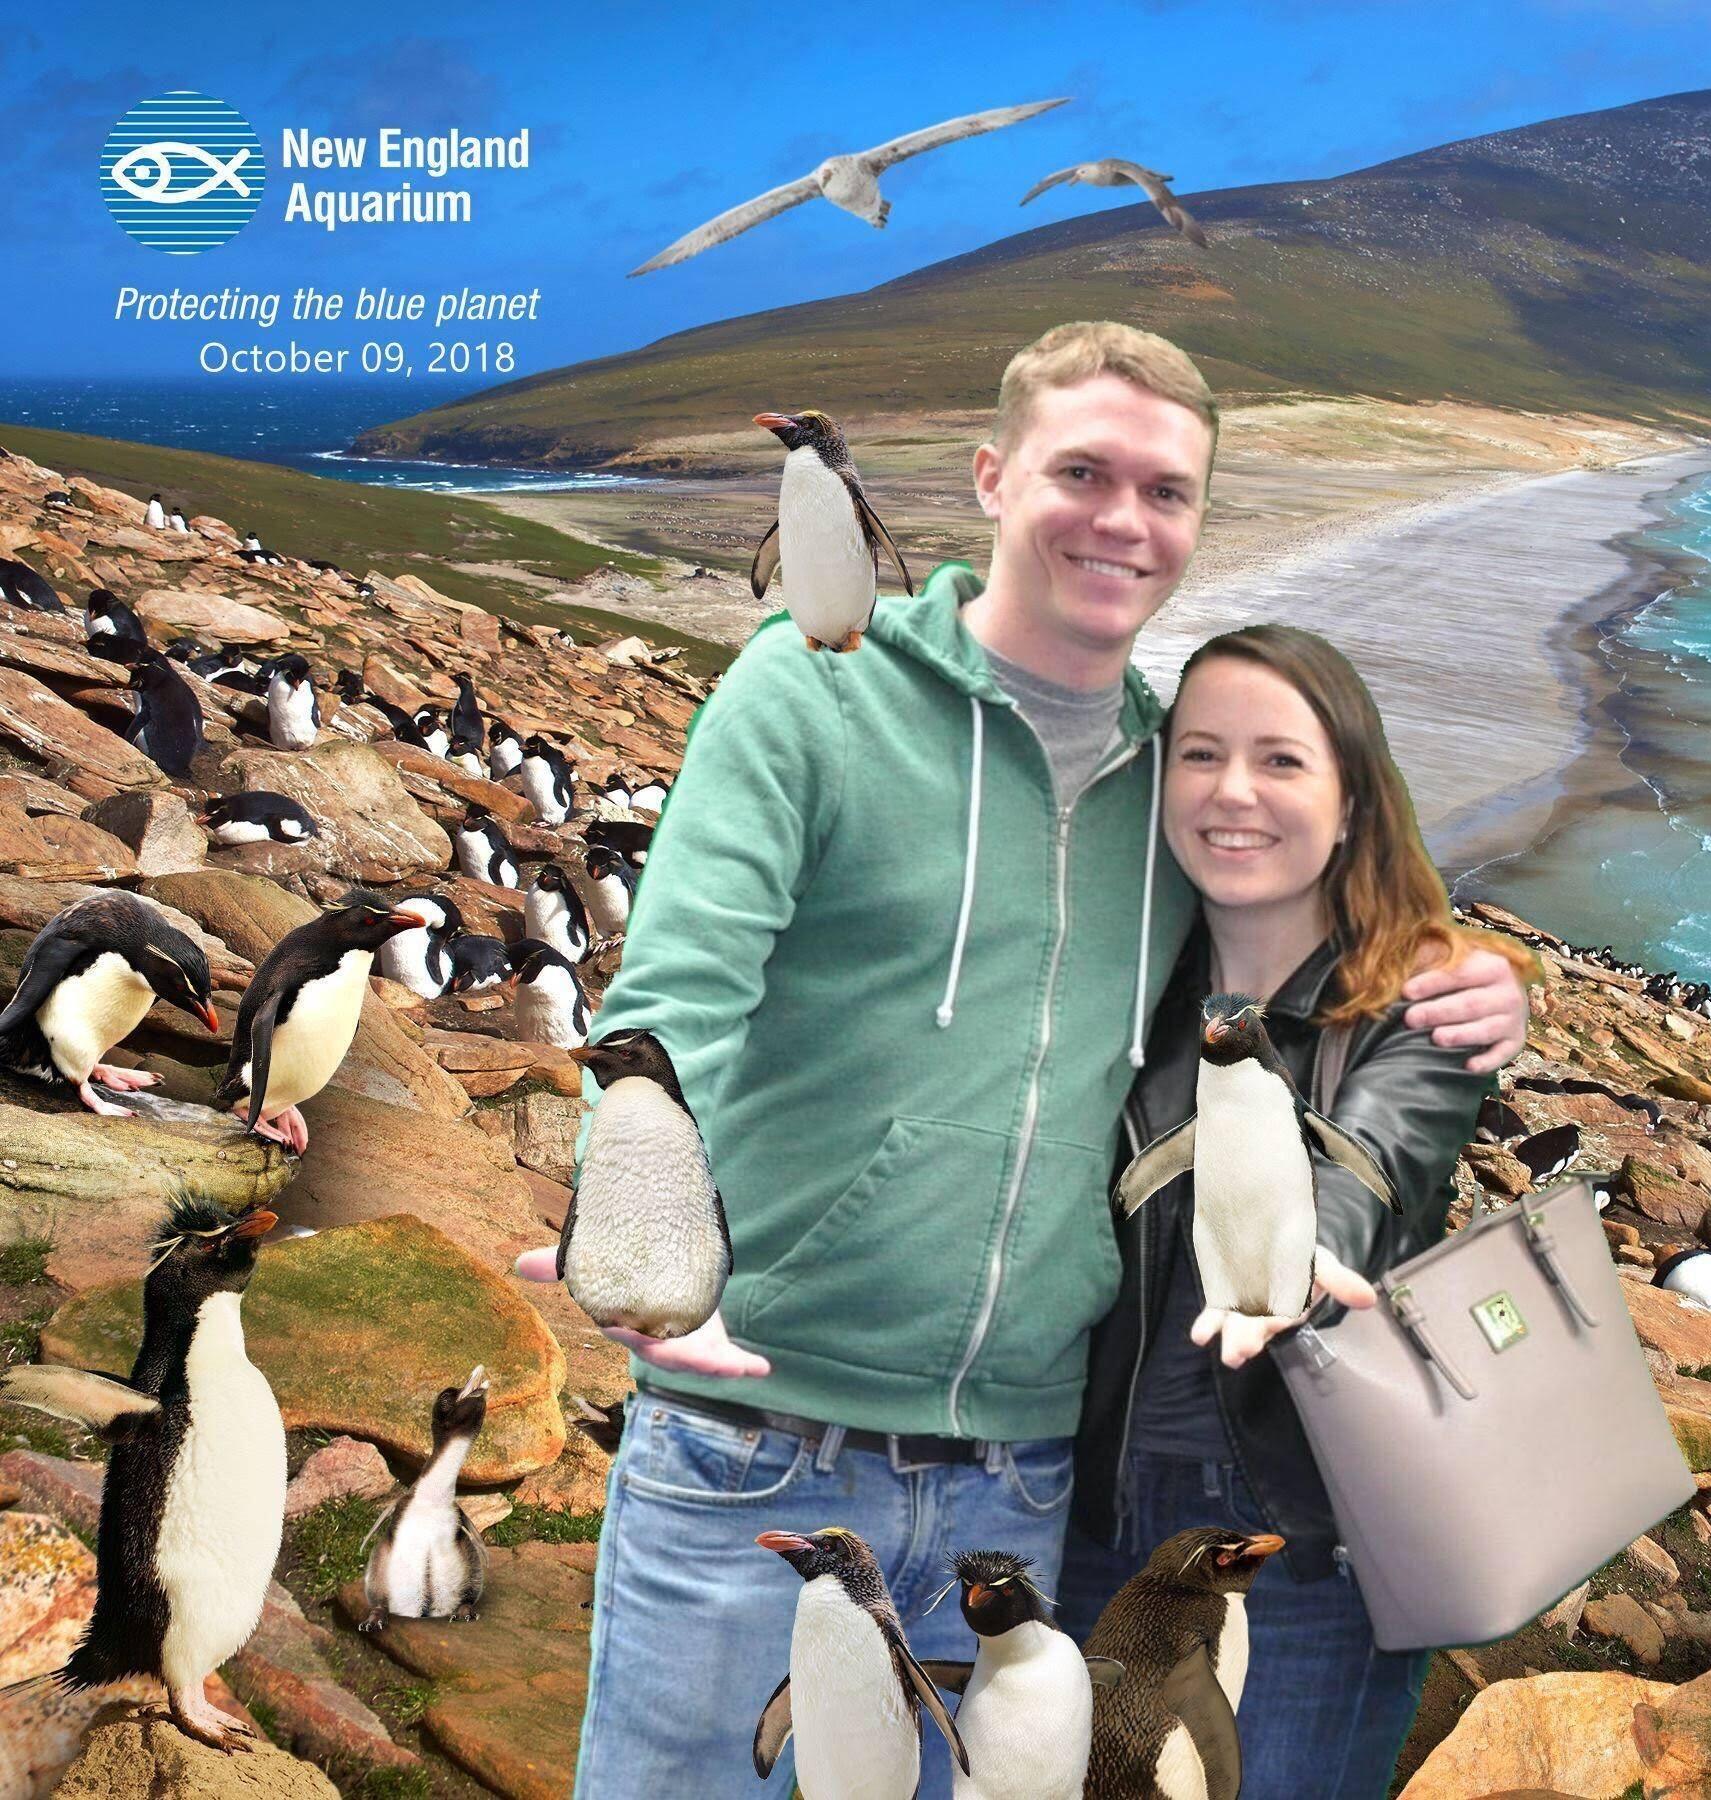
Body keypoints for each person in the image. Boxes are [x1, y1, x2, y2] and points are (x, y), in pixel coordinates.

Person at [527, 322, 1531, 1800]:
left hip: (1027, 1488)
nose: (1123, 520)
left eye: (1167, 491)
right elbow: (678, 994)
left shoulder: (1171, 782)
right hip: (764, 1439)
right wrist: (632, 1219)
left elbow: (1327, 936)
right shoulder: (813, 695)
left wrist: (1480, 975)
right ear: (993, 477)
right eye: (1082, 471)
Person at [1058, 624, 1534, 1796]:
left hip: (1305, 1541)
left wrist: (1305, 1253)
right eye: (1201, 753)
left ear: (1353, 802)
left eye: (1280, 761)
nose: (1234, 792)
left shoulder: (1419, 1003)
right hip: (1093, 1513)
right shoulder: (1112, 982)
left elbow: (1375, 1153)